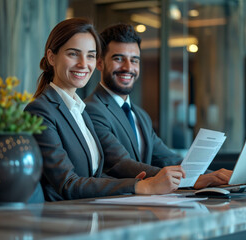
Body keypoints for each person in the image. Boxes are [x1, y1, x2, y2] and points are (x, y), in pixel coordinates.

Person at [25, 18, 185, 201]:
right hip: (63, 221)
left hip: (91, 214)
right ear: (52, 57)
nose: (83, 64)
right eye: (73, 54)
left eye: (90, 55)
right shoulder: (39, 111)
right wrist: (140, 186)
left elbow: (95, 176)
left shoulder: (79, 110)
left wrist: (135, 184)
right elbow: (67, 184)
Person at [84, 23, 232, 189]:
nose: (128, 67)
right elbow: (120, 164)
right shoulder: (91, 109)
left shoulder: (140, 115)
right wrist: (187, 179)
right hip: (116, 206)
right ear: (99, 63)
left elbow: (168, 158)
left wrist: (215, 175)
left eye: (134, 60)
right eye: (118, 59)